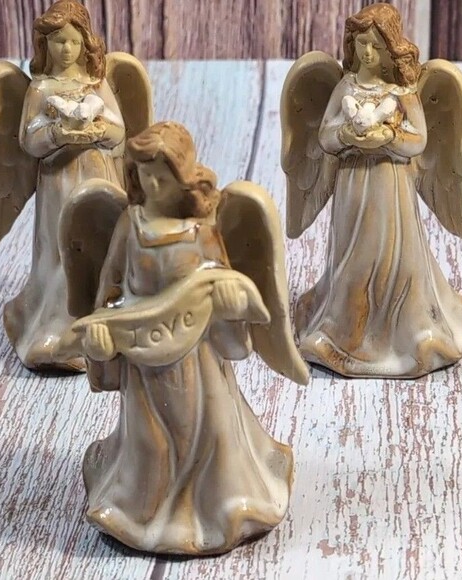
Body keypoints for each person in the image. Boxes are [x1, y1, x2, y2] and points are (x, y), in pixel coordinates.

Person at [79, 122, 294, 554]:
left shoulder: (201, 231)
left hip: (198, 361)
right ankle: (139, 512)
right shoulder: (131, 225)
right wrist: (102, 333)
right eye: (144, 175)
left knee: (212, 434)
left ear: (184, 176)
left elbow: (223, 282)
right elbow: (110, 289)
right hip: (145, 362)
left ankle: (222, 508)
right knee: (149, 443)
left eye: (162, 176)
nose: (153, 185)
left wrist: (230, 302)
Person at [295, 3, 462, 377]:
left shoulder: (403, 93)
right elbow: (325, 136)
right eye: (361, 44)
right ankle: (346, 334)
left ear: (391, 47)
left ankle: (407, 332)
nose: (368, 53)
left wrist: (388, 137)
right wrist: (347, 135)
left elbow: (419, 140)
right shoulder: (346, 87)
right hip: (353, 185)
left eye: (376, 46)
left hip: (390, 188)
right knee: (353, 258)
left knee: (394, 258)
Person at [5, 0, 125, 370]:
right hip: (58, 180)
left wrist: (99, 131)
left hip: (96, 174)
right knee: (61, 249)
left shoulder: (96, 84)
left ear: (86, 43)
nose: (67, 49)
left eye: (74, 41)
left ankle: (103, 326)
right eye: (59, 42)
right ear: (45, 44)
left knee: (99, 244)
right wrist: (58, 134)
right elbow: (29, 140)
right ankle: (55, 332)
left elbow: (120, 133)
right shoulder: (41, 89)